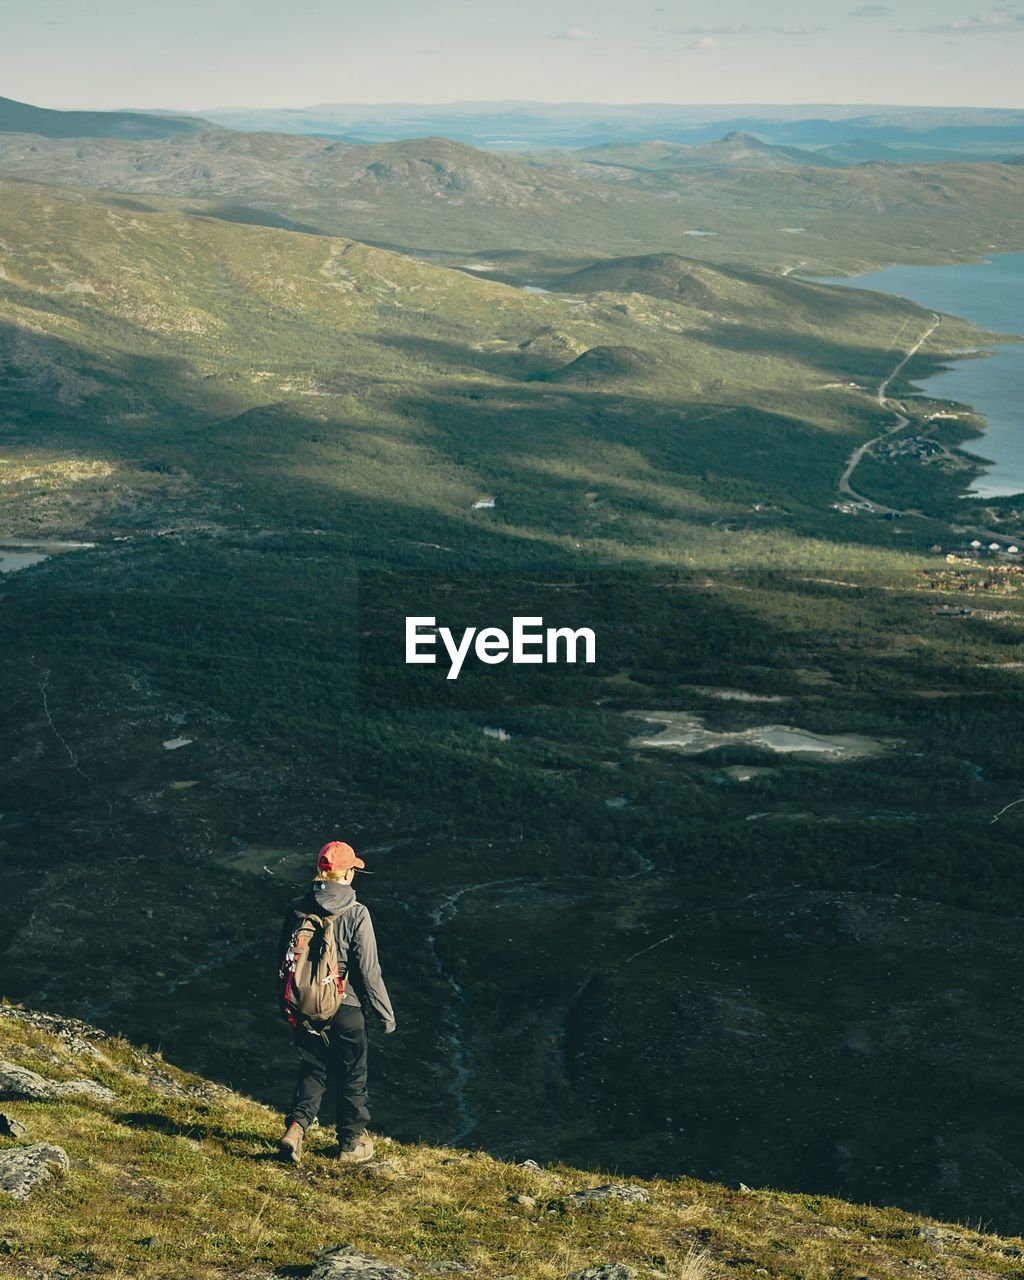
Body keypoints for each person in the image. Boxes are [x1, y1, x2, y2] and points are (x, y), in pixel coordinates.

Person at [277, 840, 396, 1165]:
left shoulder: (298, 908)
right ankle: (350, 1144)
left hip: (305, 1007)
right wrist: (385, 1014)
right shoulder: (357, 913)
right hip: (346, 1008)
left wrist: (289, 1004)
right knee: (353, 1075)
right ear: (345, 875)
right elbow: (370, 971)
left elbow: (284, 962)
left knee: (313, 1068)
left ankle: (295, 1130)